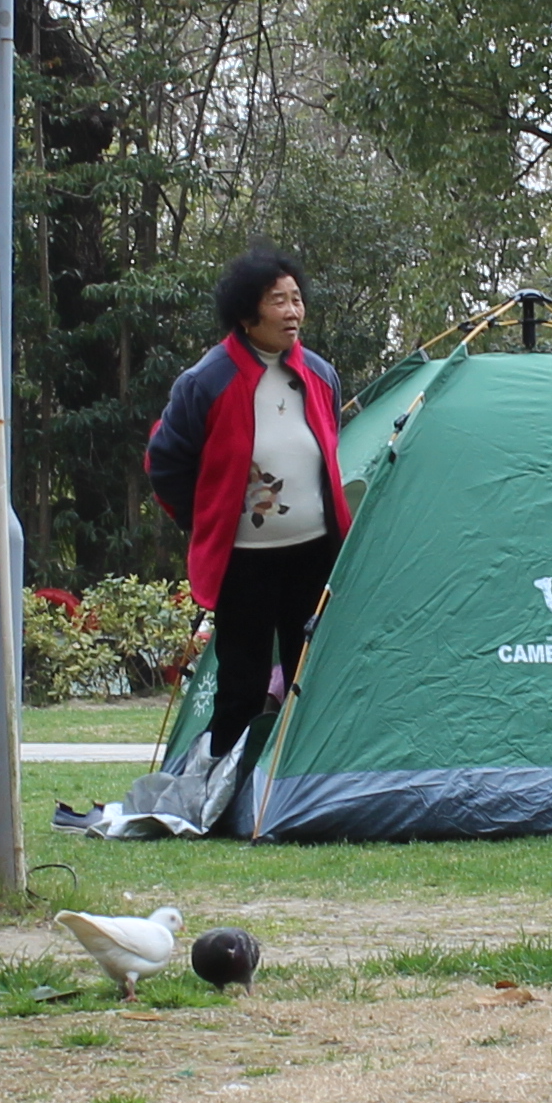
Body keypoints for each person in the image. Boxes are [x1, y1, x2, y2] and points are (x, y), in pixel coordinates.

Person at [144, 251, 352, 762]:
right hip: (245, 561)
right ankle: (222, 788)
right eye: (277, 301)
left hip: (315, 554)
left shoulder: (320, 376)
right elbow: (165, 461)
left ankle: (301, 783)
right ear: (246, 315)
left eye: (297, 299)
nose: (292, 312)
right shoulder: (206, 382)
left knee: (313, 672)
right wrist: (204, 521)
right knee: (243, 680)